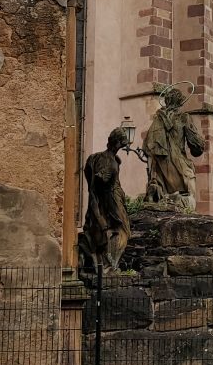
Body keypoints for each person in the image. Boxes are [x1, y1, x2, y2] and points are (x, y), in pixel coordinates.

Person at [141, 86, 204, 206]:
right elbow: (195, 144)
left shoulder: (157, 119)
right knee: (189, 199)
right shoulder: (183, 117)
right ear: (180, 102)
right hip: (178, 166)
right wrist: (201, 144)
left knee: (165, 201)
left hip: (160, 169)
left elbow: (147, 146)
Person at [81, 128, 131, 271]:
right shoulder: (105, 159)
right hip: (111, 200)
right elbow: (97, 185)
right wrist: (100, 217)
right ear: (116, 142)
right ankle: (108, 264)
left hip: (116, 198)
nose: (122, 147)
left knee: (123, 231)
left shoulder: (114, 159)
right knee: (122, 232)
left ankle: (110, 263)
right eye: (121, 143)